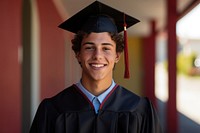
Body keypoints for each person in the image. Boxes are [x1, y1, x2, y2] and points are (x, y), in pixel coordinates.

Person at [30, 1, 162, 133]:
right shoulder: (53, 110)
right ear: (78, 54)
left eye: (106, 48)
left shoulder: (139, 109)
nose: (97, 55)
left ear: (117, 56)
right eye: (89, 47)